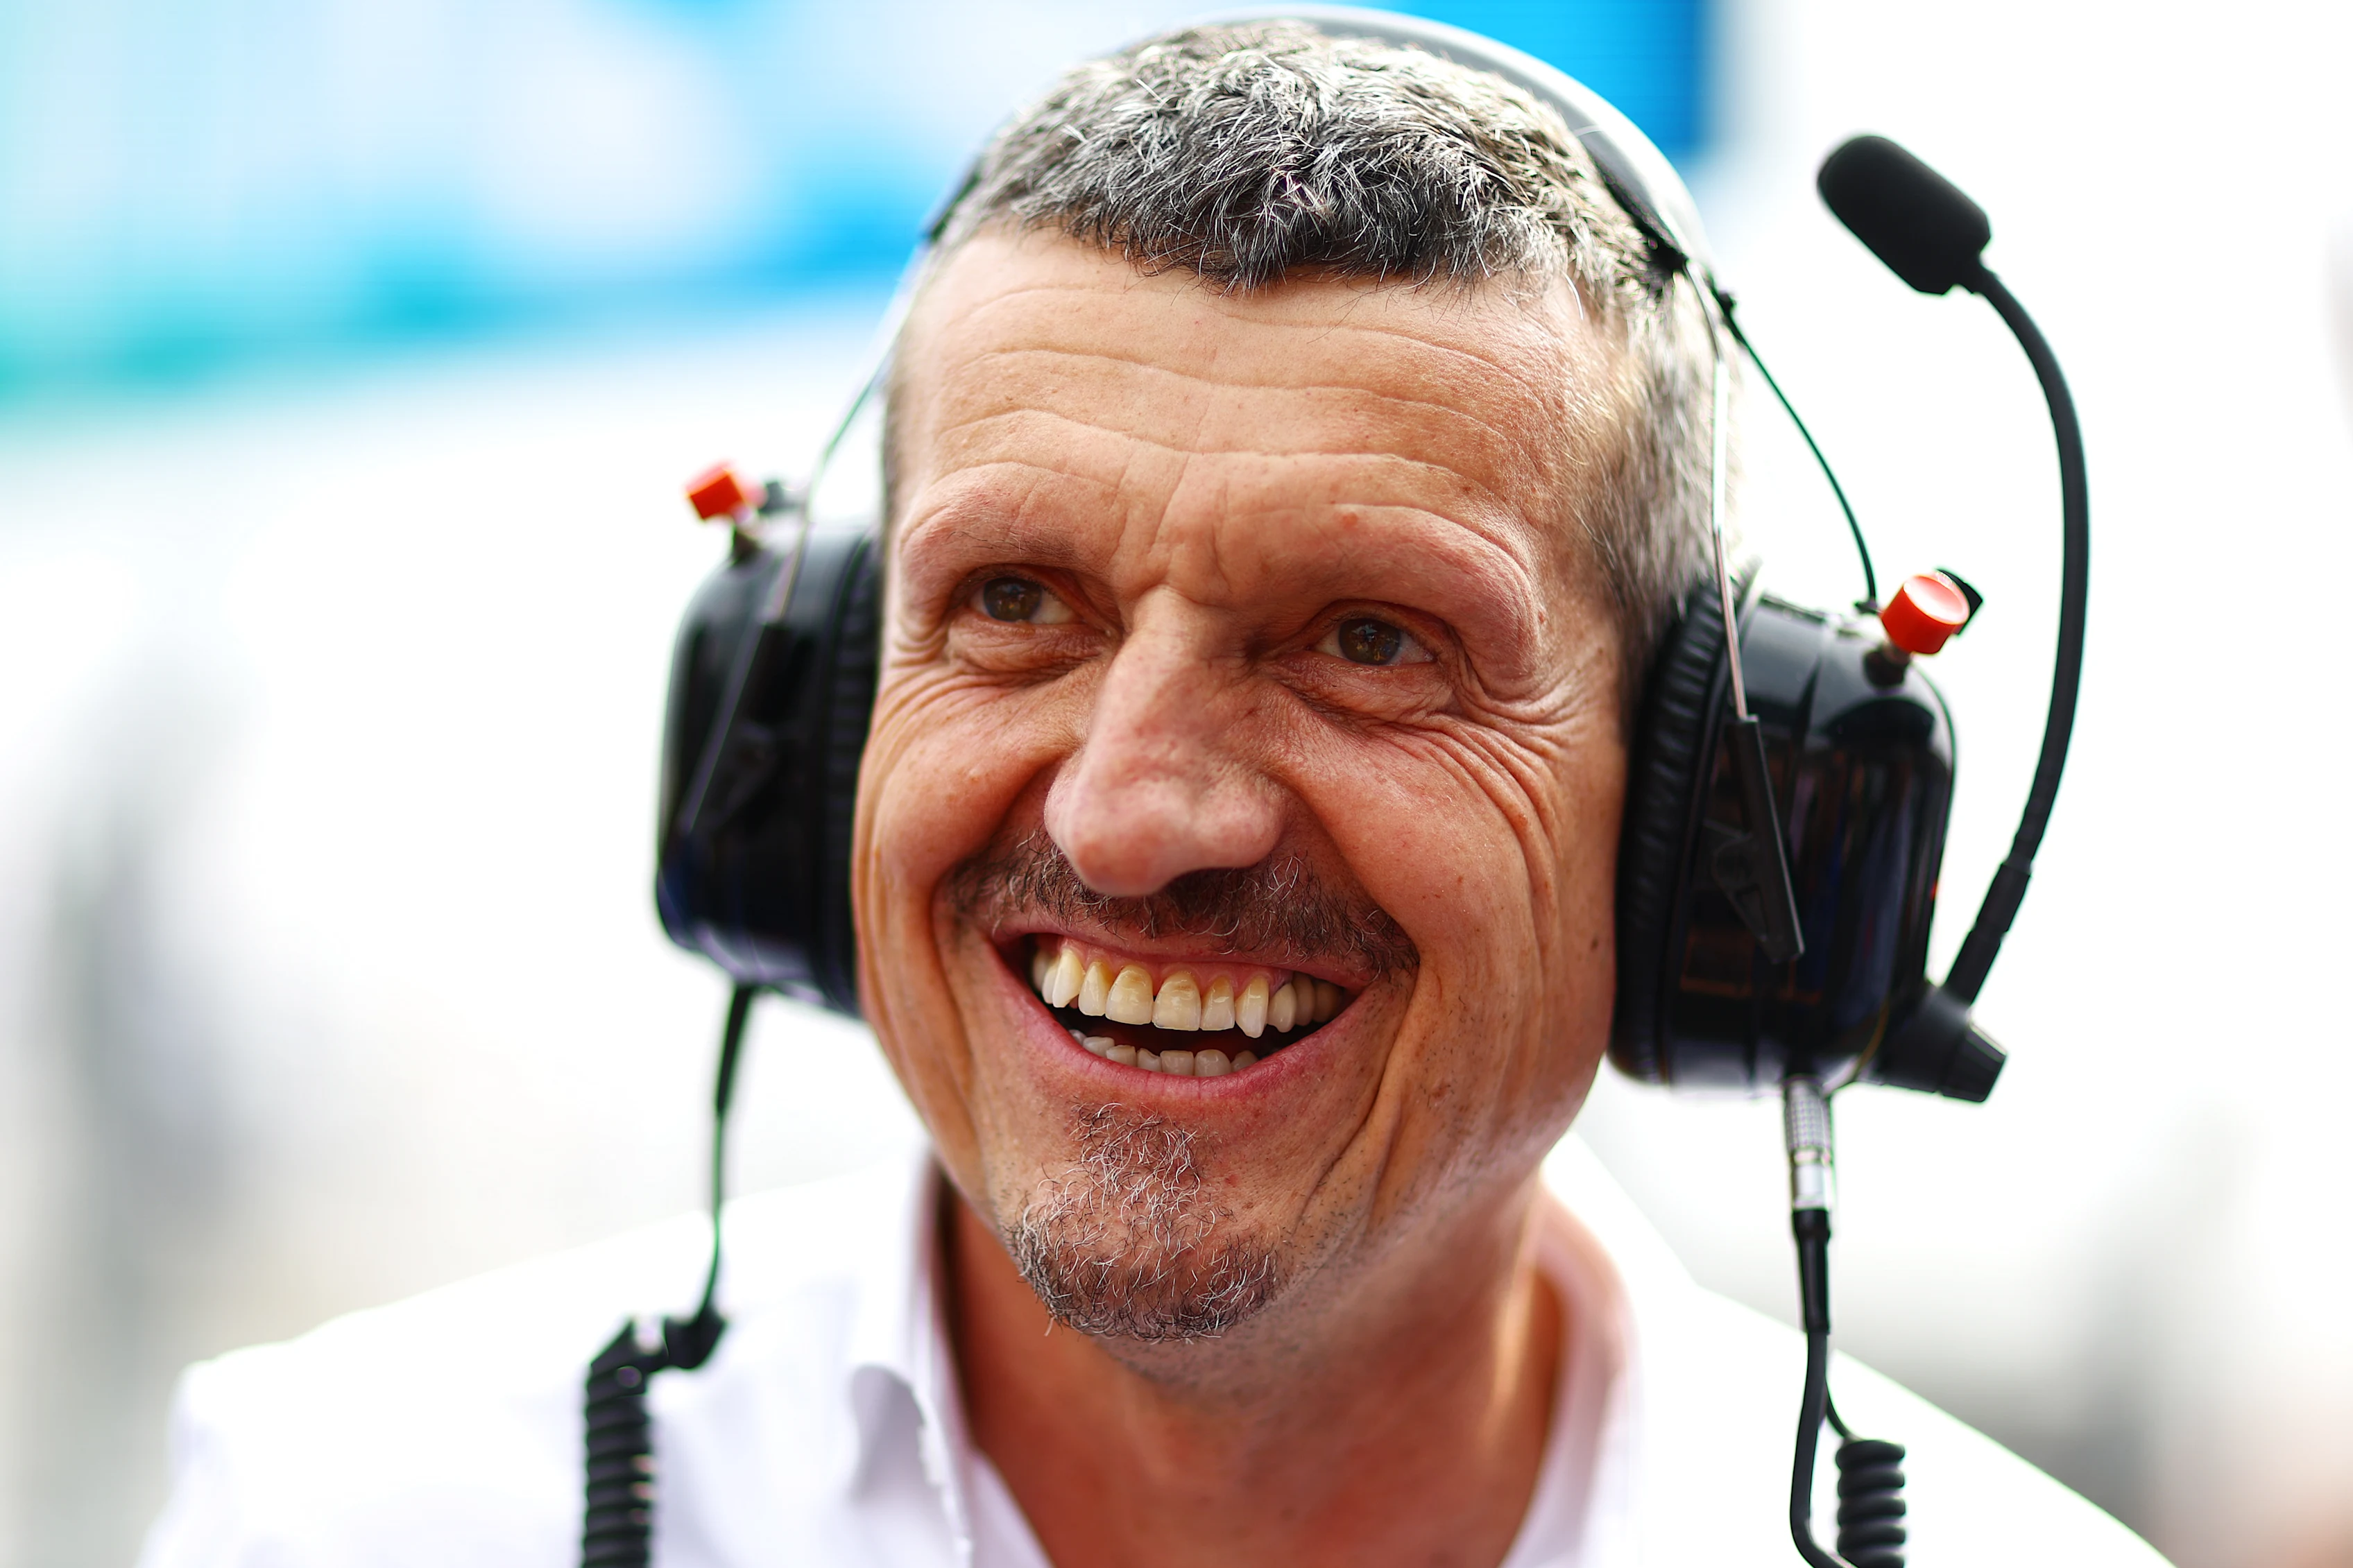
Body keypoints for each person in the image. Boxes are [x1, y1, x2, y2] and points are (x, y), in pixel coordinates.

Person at [140, 19, 2165, 1567]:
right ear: (816, 708)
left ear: (1715, 814)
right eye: (1012, 603)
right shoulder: (341, 1507)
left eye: (1373, 640)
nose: (1127, 816)